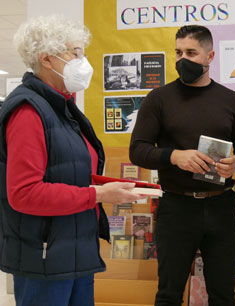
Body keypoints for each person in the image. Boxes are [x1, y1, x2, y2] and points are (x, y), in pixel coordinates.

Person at [0, 15, 145, 306]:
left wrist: (110, 185)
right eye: (74, 53)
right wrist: (99, 194)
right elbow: (23, 193)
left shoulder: (61, 107)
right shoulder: (29, 112)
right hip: (44, 257)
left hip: (74, 249)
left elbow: (66, 171)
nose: (83, 61)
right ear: (47, 59)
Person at [129, 25, 235, 305]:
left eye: (191, 52)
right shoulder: (158, 99)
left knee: (223, 295)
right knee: (168, 294)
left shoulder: (231, 100)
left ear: (210, 56)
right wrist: (174, 156)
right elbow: (137, 151)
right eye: (178, 52)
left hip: (221, 205)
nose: (182, 59)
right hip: (176, 207)